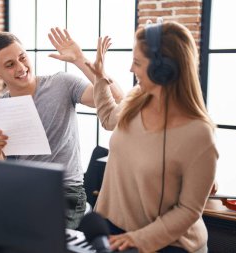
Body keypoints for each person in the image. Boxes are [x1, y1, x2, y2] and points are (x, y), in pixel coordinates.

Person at [86, 20, 218, 253]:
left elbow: (189, 210)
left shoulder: (198, 133)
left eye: (137, 62)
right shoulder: (137, 97)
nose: (130, 69)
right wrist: (100, 77)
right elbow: (108, 119)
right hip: (113, 228)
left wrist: (138, 238)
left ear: (163, 70)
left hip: (168, 244)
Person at [0, 28, 122, 229]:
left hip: (67, 192)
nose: (21, 67)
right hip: (25, 191)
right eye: (10, 64)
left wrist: (80, 60)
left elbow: (117, 99)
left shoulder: (62, 84)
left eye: (23, 58)